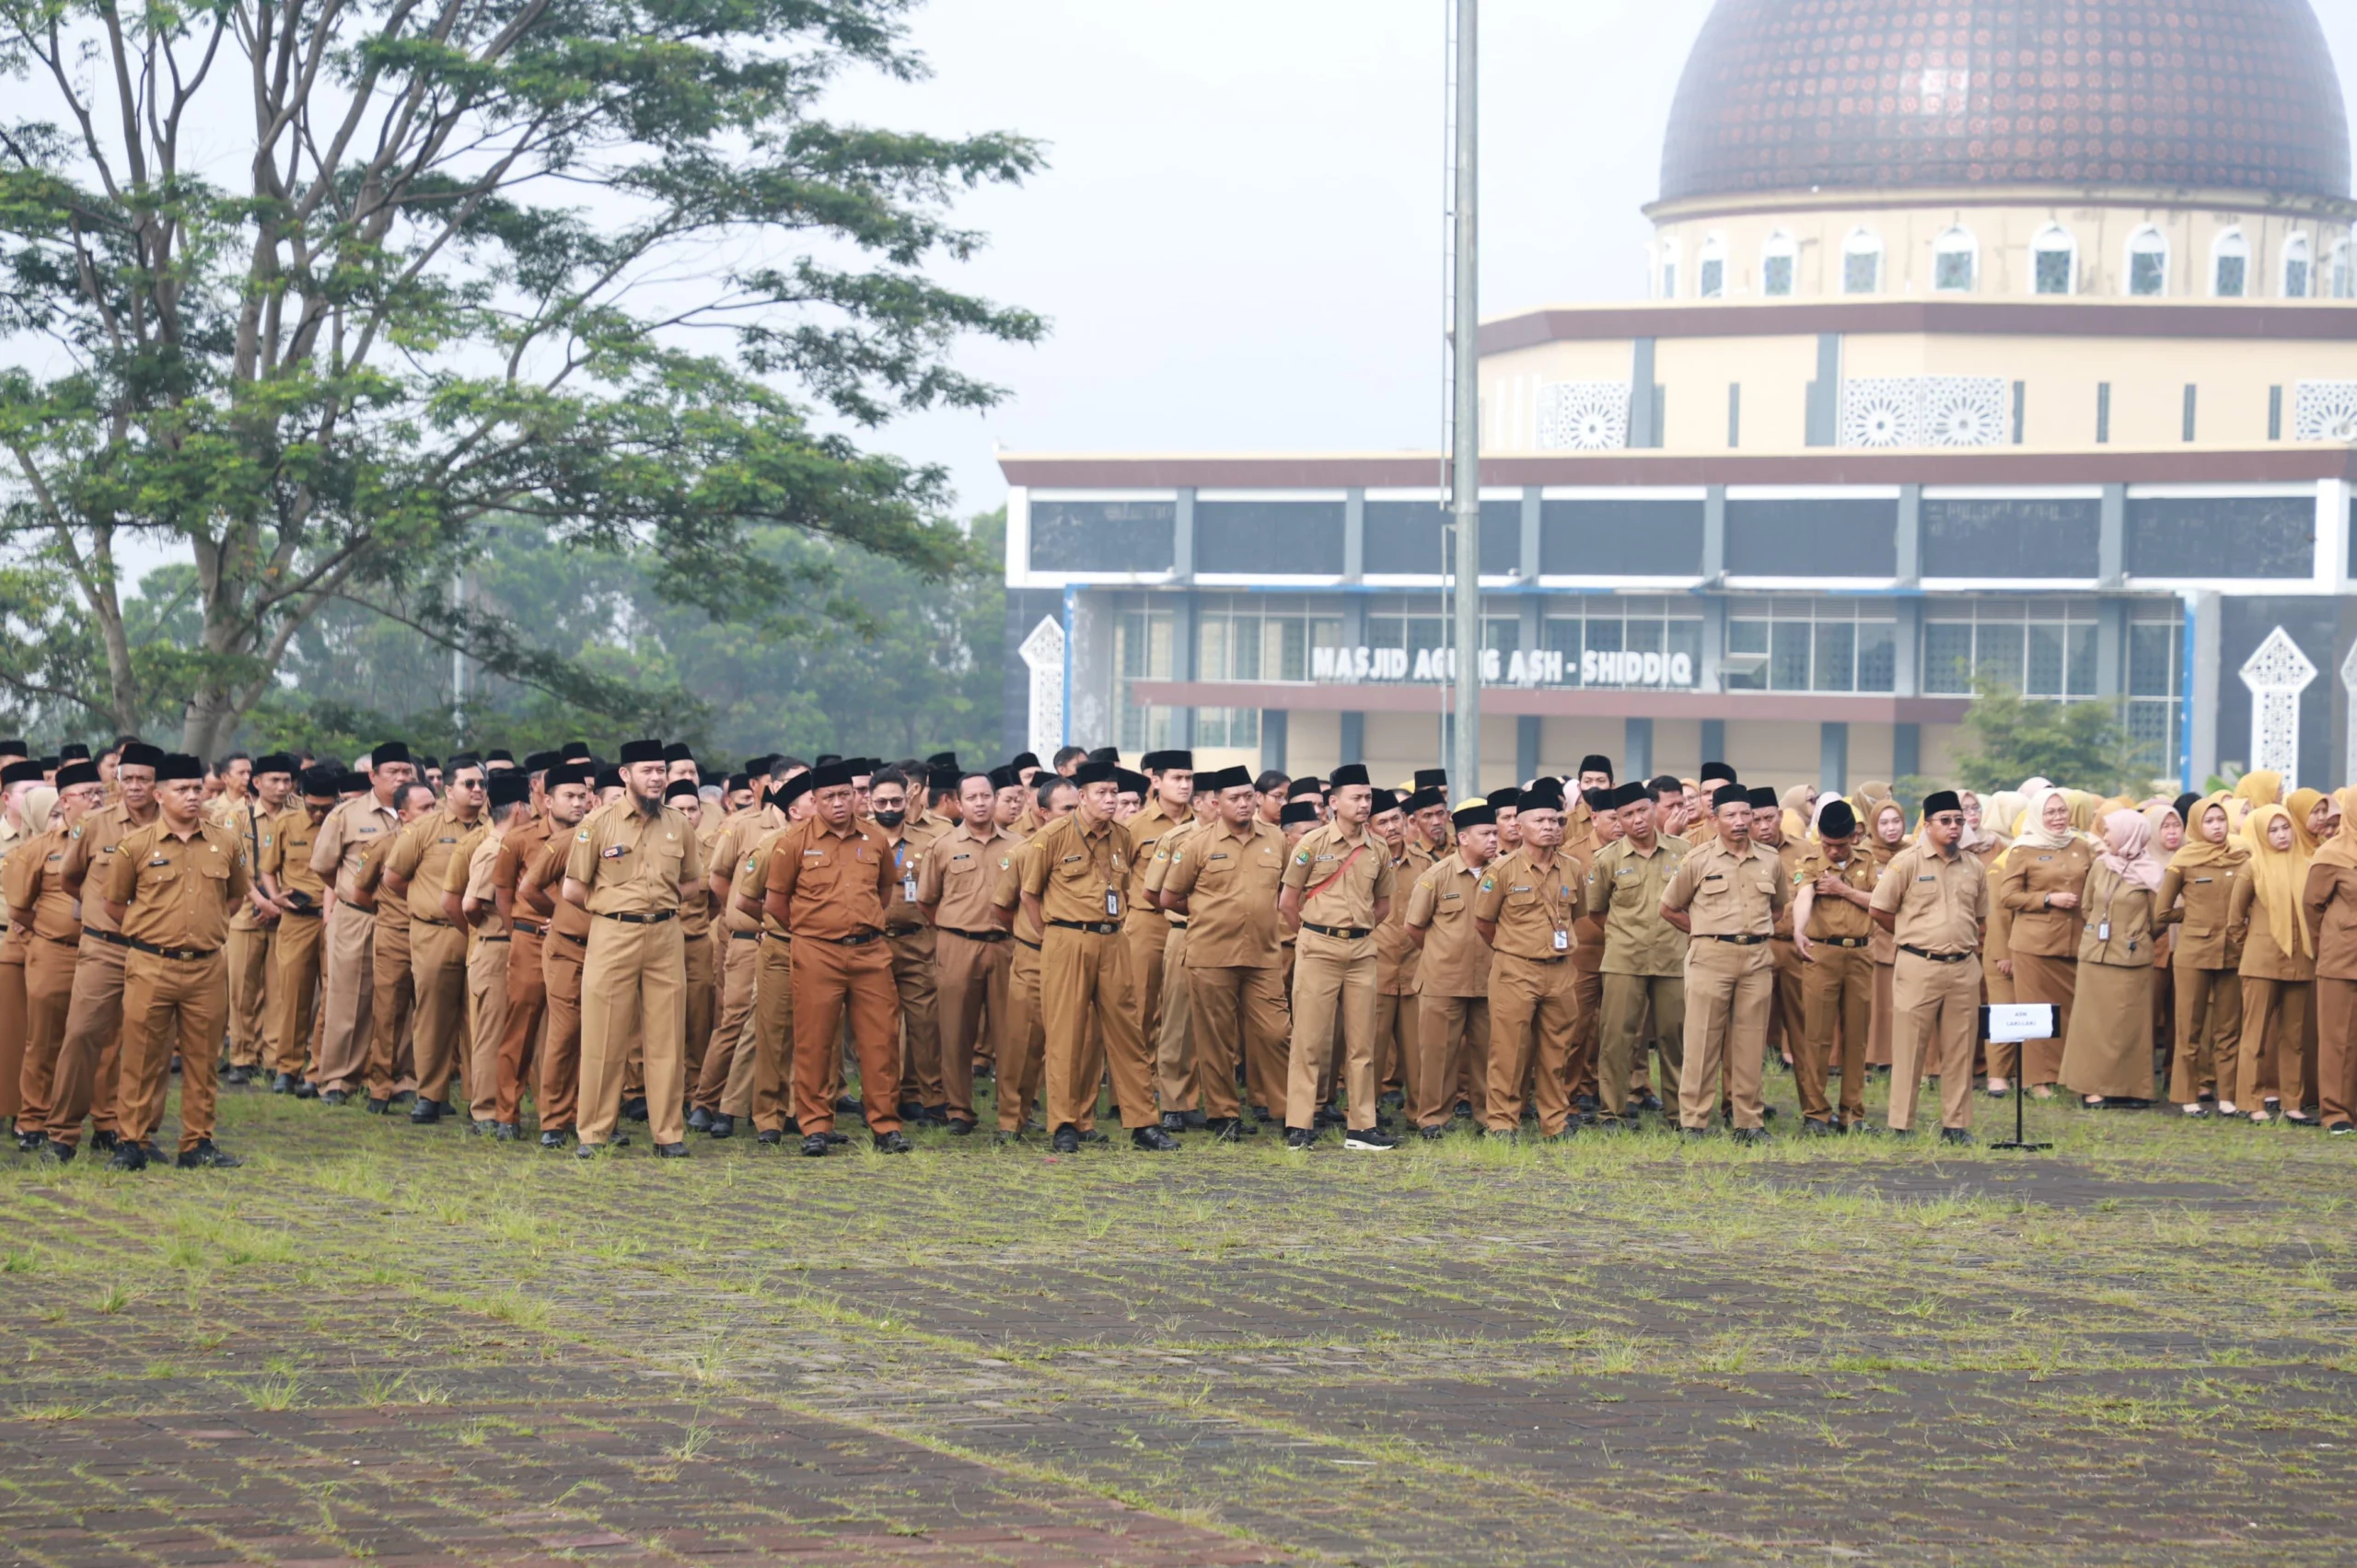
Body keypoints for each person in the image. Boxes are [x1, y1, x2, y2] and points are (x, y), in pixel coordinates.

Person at [102, 753, 250, 1170]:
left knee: (203, 1059)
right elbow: (115, 904)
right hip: (152, 964)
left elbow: (236, 896)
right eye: (181, 790)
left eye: (196, 790)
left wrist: (210, 928)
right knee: (142, 1056)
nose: (191, 797)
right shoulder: (135, 846)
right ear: (159, 794)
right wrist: (152, 934)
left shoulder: (227, 841)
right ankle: (131, 1141)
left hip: (206, 965)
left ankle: (197, 1142)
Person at [1019, 760, 1176, 1153]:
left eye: (1113, 793)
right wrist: (1052, 936)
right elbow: (1028, 896)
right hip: (1067, 939)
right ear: (1082, 796)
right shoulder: (1052, 836)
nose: (1109, 800)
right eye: (1101, 793)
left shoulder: (1122, 836)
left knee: (1129, 1033)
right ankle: (1065, 1124)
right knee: (1066, 1035)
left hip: (1113, 940)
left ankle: (1143, 1123)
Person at [563, 739, 702, 1159]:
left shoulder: (679, 823)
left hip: (665, 934)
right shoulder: (598, 822)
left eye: (661, 770)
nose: (658, 777)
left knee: (667, 1038)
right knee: (604, 1037)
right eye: (648, 770)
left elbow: (694, 882)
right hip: (612, 934)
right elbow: (573, 888)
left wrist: (660, 900)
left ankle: (668, 1134)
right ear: (625, 775)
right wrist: (615, 905)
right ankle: (594, 1134)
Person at [765, 759, 905, 1156]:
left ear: (856, 796)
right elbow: (776, 903)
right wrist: (812, 931)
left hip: (870, 952)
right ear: (814, 800)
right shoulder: (793, 842)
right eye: (829, 797)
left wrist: (861, 924)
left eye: (846, 794)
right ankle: (815, 1127)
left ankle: (885, 1125)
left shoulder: (875, 839)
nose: (839, 803)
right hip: (816, 952)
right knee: (814, 1042)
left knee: (881, 1041)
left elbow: (883, 892)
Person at [41, 740, 164, 1158]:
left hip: (155, 951)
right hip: (103, 947)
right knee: (81, 1035)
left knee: (149, 1042)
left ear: (158, 784)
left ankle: (138, 1135)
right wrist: (103, 913)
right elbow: (71, 879)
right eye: (125, 778)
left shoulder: (177, 825)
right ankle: (61, 1134)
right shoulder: (95, 823)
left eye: (143, 780)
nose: (133, 787)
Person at [1159, 764, 1288, 1140]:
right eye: (1235, 798)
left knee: (1278, 1033)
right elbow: (1169, 896)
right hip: (1211, 953)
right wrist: (1208, 914)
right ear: (1216, 803)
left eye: (1249, 796)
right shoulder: (1196, 844)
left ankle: (1287, 1113)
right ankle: (1223, 1113)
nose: (1244, 804)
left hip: (1263, 955)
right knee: (1216, 1040)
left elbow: (1284, 888)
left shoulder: (1276, 839)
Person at [1276, 763, 1396, 1151]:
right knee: (1309, 1040)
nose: (1364, 805)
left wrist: (1355, 929)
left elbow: (1384, 905)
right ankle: (1300, 1123)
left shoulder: (1378, 848)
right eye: (1356, 798)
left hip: (1362, 950)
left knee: (1362, 1042)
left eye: (1368, 798)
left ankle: (1361, 1126)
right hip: (1318, 947)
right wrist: (1315, 933)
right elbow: (1288, 902)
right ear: (1333, 802)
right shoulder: (1312, 844)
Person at [1660, 782, 1787, 1140]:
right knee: (1702, 1041)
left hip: (1757, 958)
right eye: (1730, 814)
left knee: (1750, 1042)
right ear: (1714, 819)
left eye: (1745, 813)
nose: (1740, 821)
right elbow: (1668, 907)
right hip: (1710, 957)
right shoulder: (1698, 859)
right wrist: (1702, 929)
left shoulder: (1770, 860)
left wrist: (1753, 932)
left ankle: (1748, 1121)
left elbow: (1777, 908)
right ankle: (1694, 1121)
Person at [1870, 790, 1989, 1141]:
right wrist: (1911, 937)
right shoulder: (1907, 863)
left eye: (1959, 821)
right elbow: (1880, 909)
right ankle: (1901, 1124)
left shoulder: (1974, 866)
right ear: (1929, 823)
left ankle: (1956, 1125)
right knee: (1910, 1048)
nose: (1954, 828)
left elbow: (1980, 918)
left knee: (1960, 1048)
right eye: (1946, 821)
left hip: (1963, 966)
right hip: (1918, 964)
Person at [1470, 778, 1585, 1141]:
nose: (1550, 827)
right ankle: (1502, 1122)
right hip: (1516, 969)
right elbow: (1483, 922)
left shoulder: (1572, 868)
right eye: (1541, 821)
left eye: (1555, 821)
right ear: (1519, 827)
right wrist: (1513, 949)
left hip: (1560, 970)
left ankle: (1555, 1122)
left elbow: (1577, 914)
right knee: (1508, 1050)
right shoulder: (1501, 872)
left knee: (1557, 1052)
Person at [382, 755, 487, 1124]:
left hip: (479, 934)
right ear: (448, 788)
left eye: (481, 784)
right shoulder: (424, 827)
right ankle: (431, 1094)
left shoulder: (494, 827)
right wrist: (424, 901)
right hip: (434, 934)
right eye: (468, 784)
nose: (477, 790)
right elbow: (393, 878)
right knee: (432, 1016)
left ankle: (480, 1099)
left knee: (480, 1017)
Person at [915, 772, 1016, 1135]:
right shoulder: (942, 846)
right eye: (971, 797)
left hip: (1006, 945)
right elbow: (927, 901)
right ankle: (959, 1110)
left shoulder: (1017, 845)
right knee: (956, 1032)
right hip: (958, 944)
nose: (980, 802)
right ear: (958, 803)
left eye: (986, 795)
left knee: (1012, 1032)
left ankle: (1012, 1112)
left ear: (995, 799)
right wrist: (953, 926)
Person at [309, 743, 411, 1098]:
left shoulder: (421, 812)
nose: (401, 777)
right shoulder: (347, 815)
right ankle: (338, 1078)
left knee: (402, 999)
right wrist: (349, 892)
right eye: (393, 772)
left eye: (406, 771)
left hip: (402, 919)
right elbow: (323, 866)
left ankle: (398, 1077)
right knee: (349, 995)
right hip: (357, 917)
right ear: (373, 776)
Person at [7, 763, 99, 1149]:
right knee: (43, 1040)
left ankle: (106, 1123)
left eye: (101, 792)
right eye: (88, 793)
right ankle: (33, 1122)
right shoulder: (38, 849)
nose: (97, 799)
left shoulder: (119, 842)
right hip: (54, 951)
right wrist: (51, 928)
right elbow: (18, 907)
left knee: (102, 1043)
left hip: (102, 953)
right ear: (65, 801)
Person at [1587, 780, 1689, 1125]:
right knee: (1616, 1039)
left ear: (1653, 809)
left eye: (1642, 811)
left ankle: (1680, 1113)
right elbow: (1597, 912)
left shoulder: (1683, 852)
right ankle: (1612, 1112)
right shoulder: (1607, 859)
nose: (1637, 820)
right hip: (1624, 961)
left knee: (1675, 1040)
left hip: (1673, 959)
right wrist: (1625, 937)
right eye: (1627, 815)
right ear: (1618, 819)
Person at [1402, 800, 1498, 1138]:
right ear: (1464, 839)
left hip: (1490, 980)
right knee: (1438, 1055)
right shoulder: (1436, 876)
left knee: (1488, 1054)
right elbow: (1414, 927)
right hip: (1443, 981)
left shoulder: (1501, 873)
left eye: (1495, 833)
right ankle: (1431, 1119)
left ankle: (1489, 1118)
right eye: (1485, 834)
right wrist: (1441, 956)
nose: (1493, 840)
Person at [2061, 807, 2165, 1109]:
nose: (2105, 838)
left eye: (2111, 832)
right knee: (2094, 1025)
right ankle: (2092, 1088)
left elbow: (2163, 917)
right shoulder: (2101, 866)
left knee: (2129, 1027)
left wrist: (2137, 934)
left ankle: (2131, 1089)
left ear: (2130, 835)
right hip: (2096, 956)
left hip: (2132, 959)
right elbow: (2087, 906)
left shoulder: (2152, 872)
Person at [1995, 785, 2092, 1099]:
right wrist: (2048, 898)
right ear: (2037, 815)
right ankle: (2036, 1080)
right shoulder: (2022, 850)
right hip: (2034, 944)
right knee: (2037, 1013)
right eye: (2050, 812)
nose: (2057, 817)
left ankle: (2069, 1074)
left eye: (2062, 811)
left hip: (2076, 941)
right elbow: (2008, 896)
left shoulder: (2082, 845)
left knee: (2073, 1011)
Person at [1791, 798, 1878, 1132]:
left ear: (1853, 838)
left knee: (1856, 1038)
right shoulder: (1810, 859)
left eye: (1839, 845)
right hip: (1821, 953)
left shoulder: (1868, 862)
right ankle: (1815, 1111)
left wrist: (1843, 890)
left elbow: (1882, 900)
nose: (1834, 851)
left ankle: (1853, 1112)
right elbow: (1804, 895)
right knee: (1817, 1036)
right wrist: (1798, 931)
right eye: (1827, 844)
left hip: (1859, 954)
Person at [2156, 791, 2246, 1117]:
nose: (2217, 826)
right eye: (2209, 821)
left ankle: (2227, 1097)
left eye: (2221, 819)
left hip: (2233, 952)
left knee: (2228, 1029)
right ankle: (2187, 1096)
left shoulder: (2242, 857)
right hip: (2194, 953)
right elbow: (2162, 911)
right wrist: (2192, 916)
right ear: (2196, 825)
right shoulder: (2184, 861)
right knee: (2189, 1028)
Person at [455, 771, 531, 1136]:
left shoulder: (510, 845)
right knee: (491, 1033)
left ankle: (500, 1107)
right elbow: (470, 903)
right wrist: (489, 928)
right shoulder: (493, 848)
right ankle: (484, 1110)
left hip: (508, 947)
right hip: (495, 948)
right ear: (518, 808)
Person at [866, 766, 944, 1124]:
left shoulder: (930, 840)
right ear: (869, 800)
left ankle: (928, 1100)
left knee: (925, 1025)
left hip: (917, 942)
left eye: (895, 800)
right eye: (880, 800)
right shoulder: (860, 839)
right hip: (872, 944)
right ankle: (883, 1099)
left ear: (907, 798)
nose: (888, 807)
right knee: (879, 1029)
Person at [257, 766, 339, 1096]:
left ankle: (319, 1069)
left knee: (333, 994)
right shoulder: (286, 824)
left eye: (325, 807)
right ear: (301, 797)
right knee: (293, 995)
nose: (319, 813)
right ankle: (287, 1067)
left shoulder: (341, 822)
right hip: (297, 919)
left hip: (334, 920)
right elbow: (267, 868)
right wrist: (274, 895)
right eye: (313, 806)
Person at [2232, 803, 2316, 1123]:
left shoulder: (2307, 865)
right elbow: (2234, 920)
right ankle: (2252, 1102)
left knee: (2294, 1038)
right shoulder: (2252, 867)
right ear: (2261, 834)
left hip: (2300, 961)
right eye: (2273, 830)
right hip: (2261, 962)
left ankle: (2291, 1103)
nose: (2282, 835)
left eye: (2285, 828)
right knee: (2255, 1036)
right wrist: (2253, 947)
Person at [1125, 750, 1193, 1123]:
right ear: (1156, 781)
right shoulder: (1136, 826)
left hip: (1189, 925)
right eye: (1176, 778)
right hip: (1147, 924)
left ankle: (1180, 1097)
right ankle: (1138, 1092)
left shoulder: (1204, 824)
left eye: (1188, 778)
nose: (1184, 785)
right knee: (1142, 1010)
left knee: (1184, 1015)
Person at [221, 753, 292, 1086]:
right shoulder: (237, 816)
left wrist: (279, 900)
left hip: (287, 909)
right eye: (273, 780)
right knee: (242, 988)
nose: (281, 787)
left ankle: (274, 1057)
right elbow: (233, 865)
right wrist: (261, 899)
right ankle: (241, 1056)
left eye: (287, 780)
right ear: (257, 782)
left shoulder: (301, 814)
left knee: (280, 989)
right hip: (248, 910)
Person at [2301, 787, 2357, 1135]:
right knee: (2338, 1037)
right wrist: (2326, 945)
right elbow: (2311, 907)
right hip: (2342, 958)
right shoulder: (2332, 853)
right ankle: (2335, 1112)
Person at [1370, 789, 1431, 1106]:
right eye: (1382, 821)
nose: (1391, 826)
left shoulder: (1425, 864)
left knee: (1420, 1049)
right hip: (1373, 968)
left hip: (1414, 969)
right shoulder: (1362, 862)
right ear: (1369, 827)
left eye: (1396, 819)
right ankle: (1364, 1114)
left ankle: (1423, 1114)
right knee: (1370, 1050)